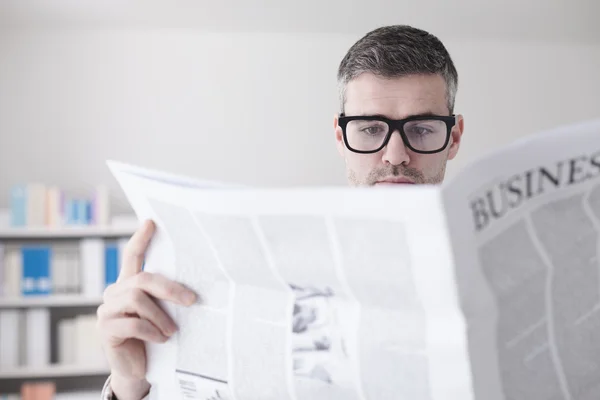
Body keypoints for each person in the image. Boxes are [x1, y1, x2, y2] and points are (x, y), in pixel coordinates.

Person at [98, 24, 465, 400]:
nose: (395, 155)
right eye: (370, 129)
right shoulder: (267, 266)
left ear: (453, 138)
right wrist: (130, 385)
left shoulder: (488, 269)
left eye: (422, 129)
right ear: (341, 138)